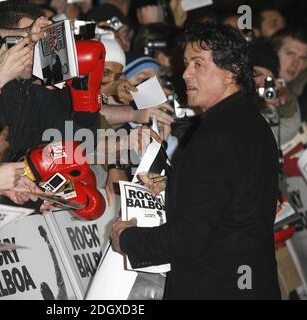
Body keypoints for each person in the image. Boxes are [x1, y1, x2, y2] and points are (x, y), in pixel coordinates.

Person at [111, 23, 281, 299]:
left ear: (232, 72)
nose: (186, 73)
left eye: (198, 64)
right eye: (187, 63)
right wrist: (173, 186)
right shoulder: (252, 124)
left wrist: (127, 239)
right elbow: (231, 201)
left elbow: (188, 238)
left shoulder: (218, 136)